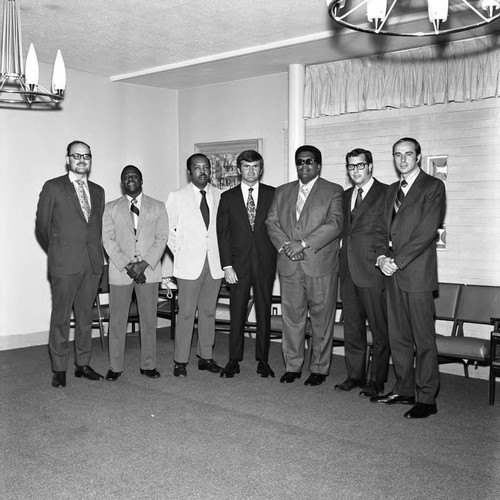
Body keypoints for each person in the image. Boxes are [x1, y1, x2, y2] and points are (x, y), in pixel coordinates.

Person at [371, 137, 446, 419]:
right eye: (397, 155)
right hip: (390, 272)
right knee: (398, 336)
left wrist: (397, 262)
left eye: (408, 154)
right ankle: (404, 389)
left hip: (416, 274)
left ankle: (427, 397)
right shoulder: (391, 190)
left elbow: (426, 232)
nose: (402, 160)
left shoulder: (433, 186)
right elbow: (380, 231)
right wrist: (381, 259)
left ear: (418, 156)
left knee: (423, 338)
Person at [266, 145, 343, 386]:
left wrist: (304, 244)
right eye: (300, 162)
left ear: (318, 165)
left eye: (309, 162)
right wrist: (287, 246)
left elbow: (335, 224)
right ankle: (293, 366)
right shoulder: (282, 191)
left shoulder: (333, 191)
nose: (304, 166)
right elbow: (271, 222)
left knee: (322, 319)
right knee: (292, 318)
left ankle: (319, 369)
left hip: (320, 266)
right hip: (289, 264)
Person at [35, 140, 105, 388]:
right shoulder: (53, 187)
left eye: (86, 155)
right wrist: (58, 252)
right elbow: (42, 228)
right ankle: (59, 368)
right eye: (76, 155)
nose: (82, 160)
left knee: (85, 318)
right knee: (61, 318)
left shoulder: (98, 190)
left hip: (92, 264)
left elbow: (95, 229)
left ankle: (83, 364)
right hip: (64, 264)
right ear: (68, 159)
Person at [102, 165, 168, 381]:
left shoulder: (158, 206)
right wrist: (129, 265)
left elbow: (162, 238)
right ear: (122, 182)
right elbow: (108, 240)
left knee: (148, 320)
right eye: (126, 177)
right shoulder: (110, 208)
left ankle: (148, 365)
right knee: (117, 321)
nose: (130, 179)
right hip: (121, 272)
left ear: (141, 180)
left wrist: (144, 264)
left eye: (134, 176)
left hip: (148, 272)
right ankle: (115, 367)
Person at [216, 150, 277, 378]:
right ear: (239, 169)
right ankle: (233, 360)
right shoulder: (227, 197)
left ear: (260, 169)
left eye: (255, 166)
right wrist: (227, 266)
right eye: (246, 166)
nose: (251, 170)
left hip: (265, 262)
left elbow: (279, 227)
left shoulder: (273, 194)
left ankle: (263, 360)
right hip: (237, 266)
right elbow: (222, 235)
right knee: (237, 311)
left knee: (263, 311)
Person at [335, 148, 390, 398]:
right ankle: (355, 376)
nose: (355, 170)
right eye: (351, 166)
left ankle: (376, 380)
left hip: (374, 272)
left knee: (380, 330)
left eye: (360, 165)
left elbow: (392, 233)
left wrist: (384, 258)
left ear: (370, 166)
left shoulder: (387, 193)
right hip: (347, 272)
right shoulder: (345, 196)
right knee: (353, 328)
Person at [166, 154, 224, 377]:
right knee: (187, 313)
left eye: (206, 167)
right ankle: (180, 361)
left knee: (208, 312)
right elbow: (167, 230)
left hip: (215, 264)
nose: (202, 171)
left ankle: (206, 357)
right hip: (189, 265)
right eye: (197, 168)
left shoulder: (220, 196)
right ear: (189, 172)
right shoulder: (177, 196)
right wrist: (179, 252)